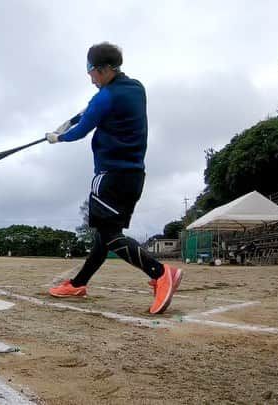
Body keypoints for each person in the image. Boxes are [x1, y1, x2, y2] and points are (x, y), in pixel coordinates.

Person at [45, 42, 183, 314]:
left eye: (92, 70)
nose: (90, 76)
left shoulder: (104, 98)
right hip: (134, 176)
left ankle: (160, 273)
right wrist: (71, 119)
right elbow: (92, 110)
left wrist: (58, 136)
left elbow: (82, 130)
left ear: (106, 69)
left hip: (110, 175)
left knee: (109, 234)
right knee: (106, 235)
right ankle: (78, 283)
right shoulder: (135, 87)